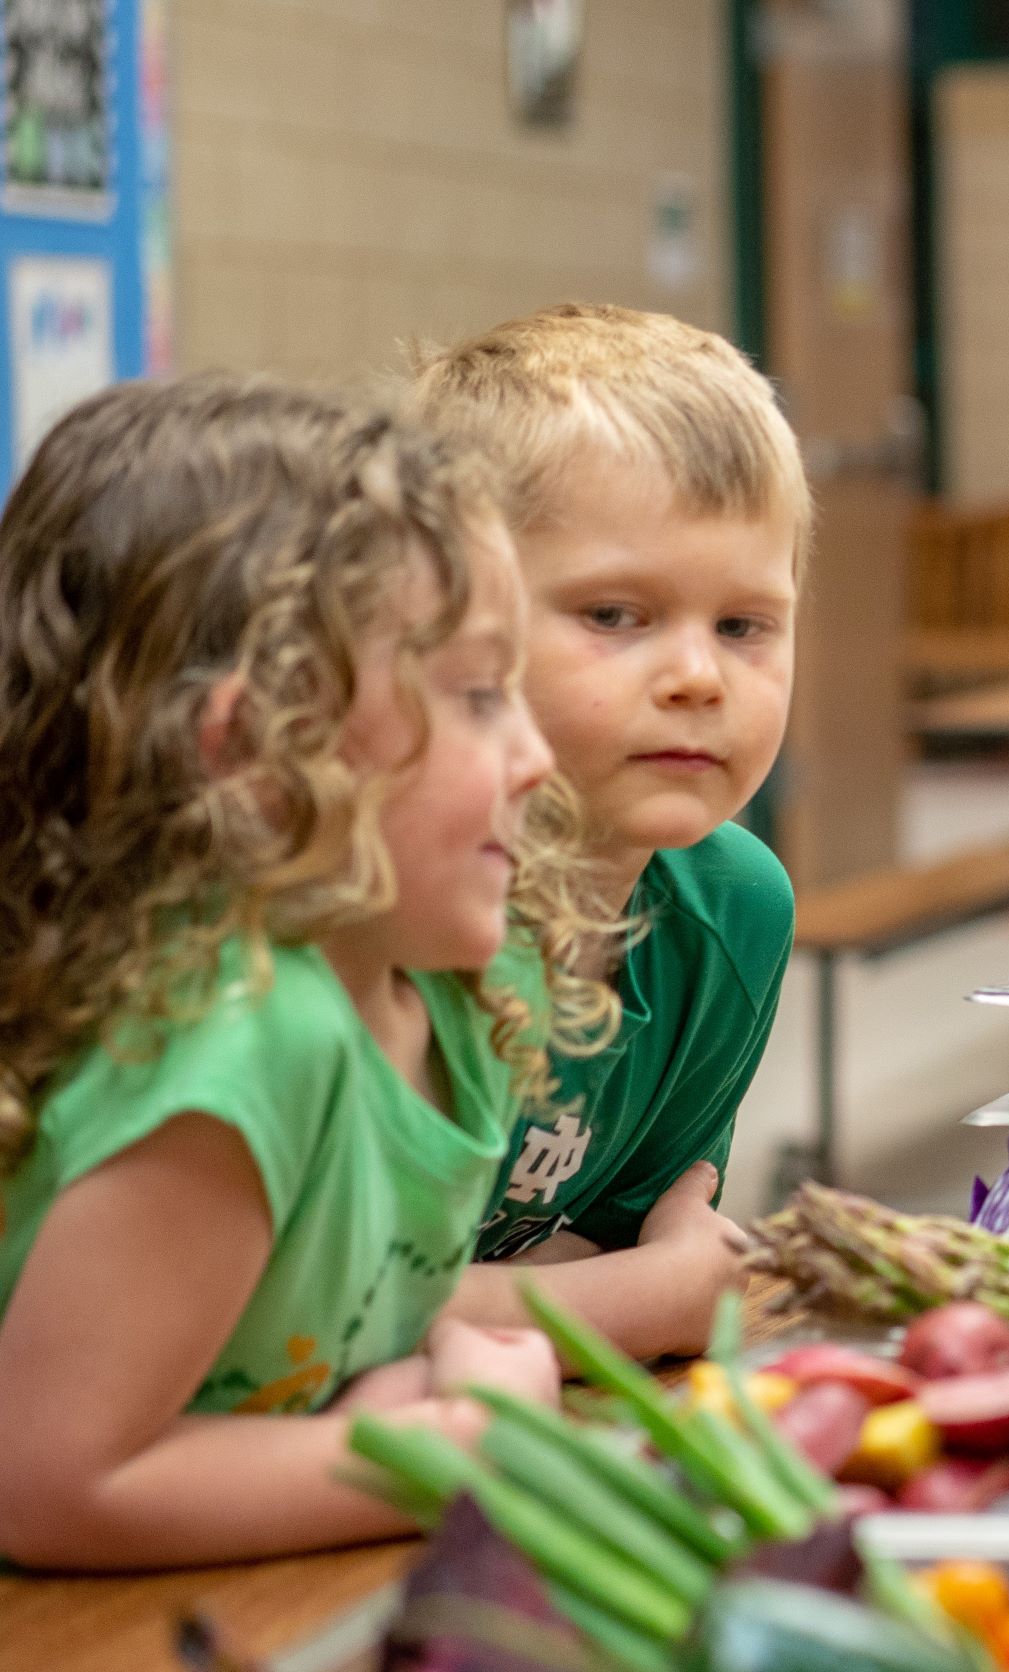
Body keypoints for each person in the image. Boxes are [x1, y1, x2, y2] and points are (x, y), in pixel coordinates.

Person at [0, 377, 614, 1569]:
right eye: (481, 696)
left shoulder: (448, 991)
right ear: (251, 753)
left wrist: (392, 1391)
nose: (539, 757)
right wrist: (464, 1452)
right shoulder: (243, 1035)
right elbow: (54, 1481)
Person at [412, 303, 802, 1361]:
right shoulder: (396, 918)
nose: (696, 676)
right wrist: (630, 1298)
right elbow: (327, 1313)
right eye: (614, 615)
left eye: (743, 624)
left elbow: (630, 1239)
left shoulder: (736, 911)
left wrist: (590, 1287)